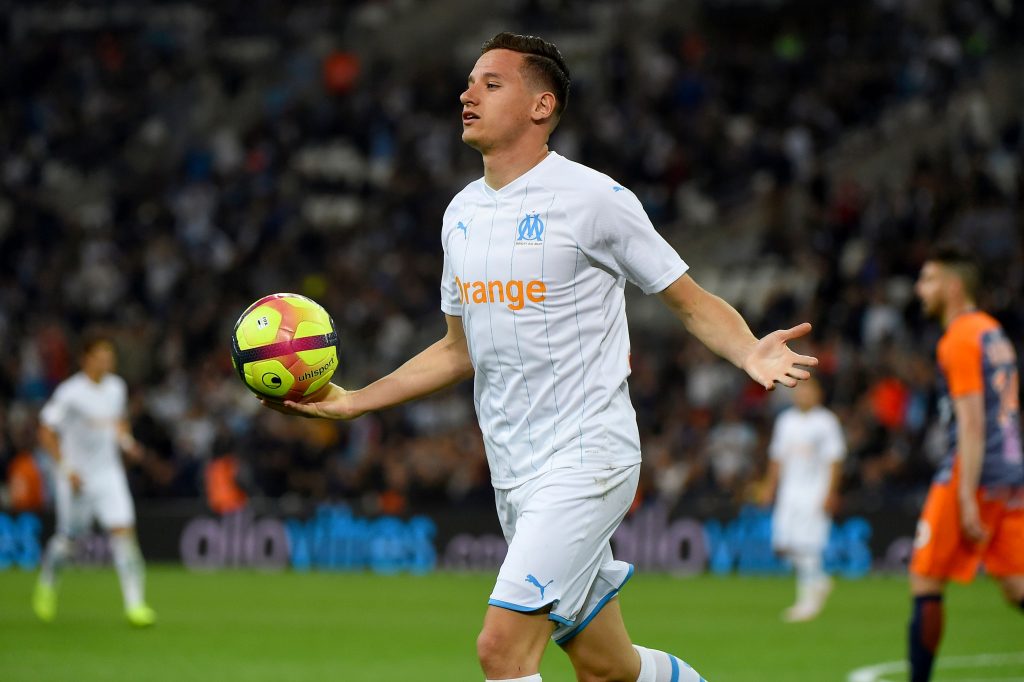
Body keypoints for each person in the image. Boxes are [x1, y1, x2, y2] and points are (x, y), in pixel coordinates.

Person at [267, 32, 817, 682]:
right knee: (609, 668)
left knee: (501, 650)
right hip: (515, 477)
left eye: (490, 83)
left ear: (541, 105)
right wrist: (354, 400)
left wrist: (748, 347)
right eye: (469, 82)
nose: (466, 93)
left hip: (588, 459)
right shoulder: (461, 214)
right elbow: (456, 349)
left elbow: (689, 301)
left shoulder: (594, 200)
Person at [908, 246, 1024, 682]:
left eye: (929, 279)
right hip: (1011, 471)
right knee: (1016, 585)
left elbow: (972, 421)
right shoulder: (993, 332)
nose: (921, 289)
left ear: (953, 286)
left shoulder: (958, 338)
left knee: (925, 580)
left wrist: (965, 494)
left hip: (973, 472)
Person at [33, 333, 156, 627]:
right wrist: (65, 469)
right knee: (68, 541)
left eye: (109, 356)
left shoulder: (116, 387)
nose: (107, 361)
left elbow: (118, 422)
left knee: (124, 533)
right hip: (77, 477)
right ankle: (47, 581)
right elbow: (46, 431)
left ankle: (135, 605)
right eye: (101, 355)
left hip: (109, 474)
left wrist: (127, 444)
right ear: (85, 358)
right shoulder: (70, 392)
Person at [762, 377, 845, 622]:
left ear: (818, 394)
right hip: (789, 492)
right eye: (800, 391)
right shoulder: (785, 421)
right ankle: (818, 579)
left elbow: (835, 460)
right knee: (783, 544)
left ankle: (806, 602)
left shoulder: (826, 422)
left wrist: (830, 493)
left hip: (814, 491)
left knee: (807, 544)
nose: (803, 395)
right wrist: (769, 487)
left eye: (809, 389)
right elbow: (777, 458)